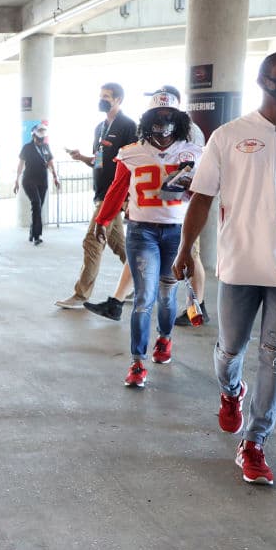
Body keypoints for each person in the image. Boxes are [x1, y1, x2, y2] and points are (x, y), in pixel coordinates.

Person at [173, 50, 276, 485]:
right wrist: (186, 250)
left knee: (275, 353)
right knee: (229, 351)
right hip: (240, 262)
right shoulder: (228, 135)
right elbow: (201, 196)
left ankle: (255, 442)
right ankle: (231, 391)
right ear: (264, 80)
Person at [90, 89, 202, 387]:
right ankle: (137, 362)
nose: (163, 122)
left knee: (167, 296)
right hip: (141, 231)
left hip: (176, 232)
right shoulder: (131, 152)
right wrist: (103, 219)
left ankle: (164, 339)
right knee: (143, 299)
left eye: (168, 116)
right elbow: (116, 189)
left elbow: (203, 194)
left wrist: (191, 188)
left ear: (178, 120)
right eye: (157, 115)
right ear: (148, 119)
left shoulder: (192, 152)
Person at [84, 85, 211, 323]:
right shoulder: (136, 147)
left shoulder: (191, 135)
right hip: (149, 214)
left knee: (190, 257)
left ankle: (196, 307)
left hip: (180, 215)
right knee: (138, 256)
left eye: (166, 109)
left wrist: (190, 187)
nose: (162, 119)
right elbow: (122, 183)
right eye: (157, 109)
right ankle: (116, 302)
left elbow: (202, 184)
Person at [55, 83, 136, 308]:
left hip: (114, 194)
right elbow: (98, 161)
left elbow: (132, 162)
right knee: (119, 244)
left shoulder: (128, 126)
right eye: (100, 96)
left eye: (107, 97)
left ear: (118, 100)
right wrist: (81, 157)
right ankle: (142, 283)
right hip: (100, 192)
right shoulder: (99, 128)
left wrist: (128, 197)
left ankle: (81, 295)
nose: (102, 100)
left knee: (92, 240)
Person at [14, 121, 60, 245]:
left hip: (42, 181)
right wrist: (16, 180)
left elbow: (50, 163)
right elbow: (20, 164)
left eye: (43, 133)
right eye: (39, 133)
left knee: (38, 208)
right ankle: (37, 235)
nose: (42, 136)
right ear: (34, 134)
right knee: (36, 203)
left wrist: (56, 177)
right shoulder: (27, 148)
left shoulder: (46, 147)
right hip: (29, 180)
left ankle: (32, 231)